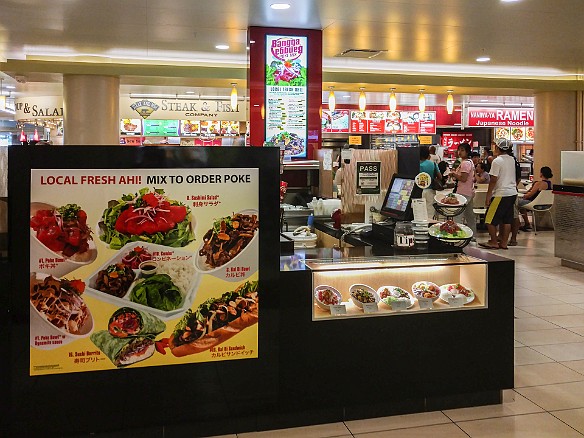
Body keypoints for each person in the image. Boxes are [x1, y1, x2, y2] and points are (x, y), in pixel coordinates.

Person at [479, 138, 518, 250]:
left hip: (501, 193)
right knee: (507, 219)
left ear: (498, 148)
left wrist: (488, 195)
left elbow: (493, 180)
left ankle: (494, 242)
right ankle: (504, 243)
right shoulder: (512, 160)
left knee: (489, 219)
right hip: (512, 193)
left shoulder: (497, 161)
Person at [450, 143, 477, 236]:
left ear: (467, 151)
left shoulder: (465, 163)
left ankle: (456, 236)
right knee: (470, 216)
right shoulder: (469, 162)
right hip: (469, 192)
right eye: (459, 150)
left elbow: (463, 178)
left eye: (462, 150)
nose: (460, 152)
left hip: (463, 193)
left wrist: (453, 174)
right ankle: (473, 236)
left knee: (458, 215)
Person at [517, 166, 553, 231]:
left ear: (541, 173)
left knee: (517, 203)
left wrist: (523, 195)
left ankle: (520, 223)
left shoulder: (538, 184)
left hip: (534, 204)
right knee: (521, 204)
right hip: (546, 205)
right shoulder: (550, 184)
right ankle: (526, 223)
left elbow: (529, 195)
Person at [420, 145, 442, 220]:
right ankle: (429, 228)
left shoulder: (415, 164)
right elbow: (440, 177)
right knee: (429, 212)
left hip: (418, 191)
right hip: (430, 190)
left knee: (419, 213)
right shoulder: (433, 164)